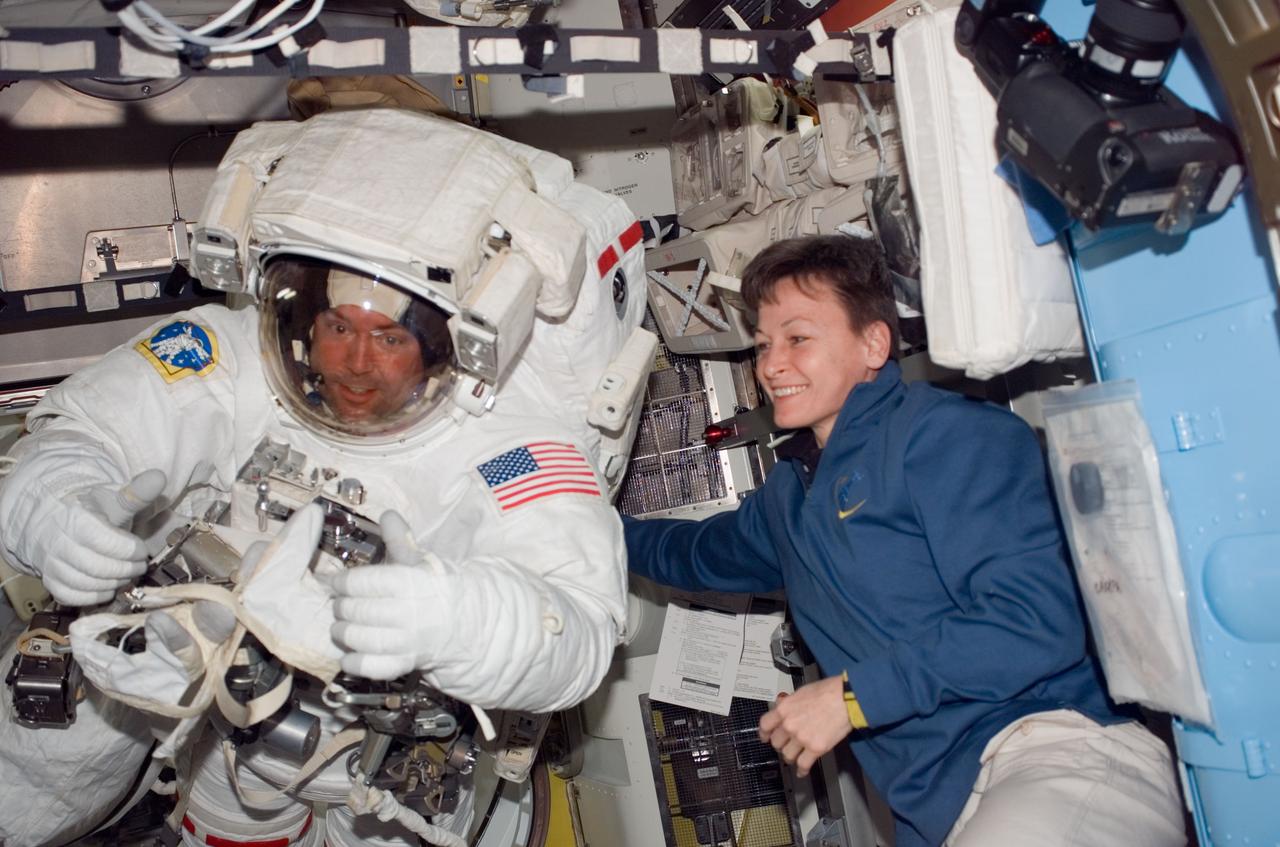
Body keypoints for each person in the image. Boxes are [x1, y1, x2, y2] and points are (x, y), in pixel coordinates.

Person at [0, 108, 647, 847]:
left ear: (445, 345)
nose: (356, 363)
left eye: (391, 337)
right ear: (303, 316)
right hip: (222, 709)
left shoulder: (508, 444)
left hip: (389, 756)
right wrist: (53, 510)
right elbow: (85, 436)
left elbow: (582, 623)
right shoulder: (233, 357)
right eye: (338, 327)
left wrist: (461, 617)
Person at [624, 233, 1186, 847]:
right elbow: (692, 555)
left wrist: (850, 699)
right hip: (939, 814)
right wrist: (593, 527)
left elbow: (1036, 621)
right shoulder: (788, 498)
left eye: (797, 339)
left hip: (1057, 752)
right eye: (762, 344)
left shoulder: (950, 437)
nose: (770, 364)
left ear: (873, 343)